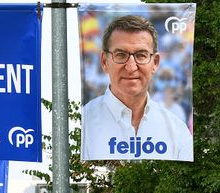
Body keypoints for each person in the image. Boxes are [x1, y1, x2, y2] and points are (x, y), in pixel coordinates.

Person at [81, 15, 193, 162]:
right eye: (121, 55)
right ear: (104, 61)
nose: (131, 67)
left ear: (155, 63)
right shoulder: (82, 125)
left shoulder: (177, 131)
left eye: (141, 55)